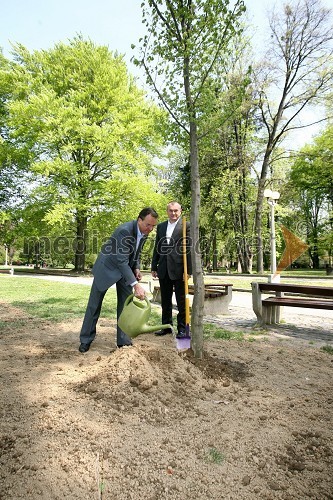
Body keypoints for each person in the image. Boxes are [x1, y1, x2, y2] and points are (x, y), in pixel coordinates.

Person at [79, 207, 158, 353]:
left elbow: (136, 253)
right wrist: (136, 285)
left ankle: (123, 341)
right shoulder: (125, 231)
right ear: (139, 220)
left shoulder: (144, 233)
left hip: (125, 270)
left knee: (125, 306)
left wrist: (137, 268)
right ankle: (85, 340)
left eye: (153, 226)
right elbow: (121, 260)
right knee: (94, 306)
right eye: (148, 224)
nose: (150, 228)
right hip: (107, 269)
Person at [151, 201, 191, 339]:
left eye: (176, 211)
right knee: (165, 301)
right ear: (167, 211)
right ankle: (166, 326)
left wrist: (189, 271)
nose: (173, 213)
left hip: (180, 269)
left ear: (180, 211)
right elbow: (157, 246)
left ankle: (182, 329)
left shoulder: (186, 225)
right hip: (163, 268)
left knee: (181, 302)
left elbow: (190, 249)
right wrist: (153, 266)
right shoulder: (161, 227)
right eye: (171, 210)